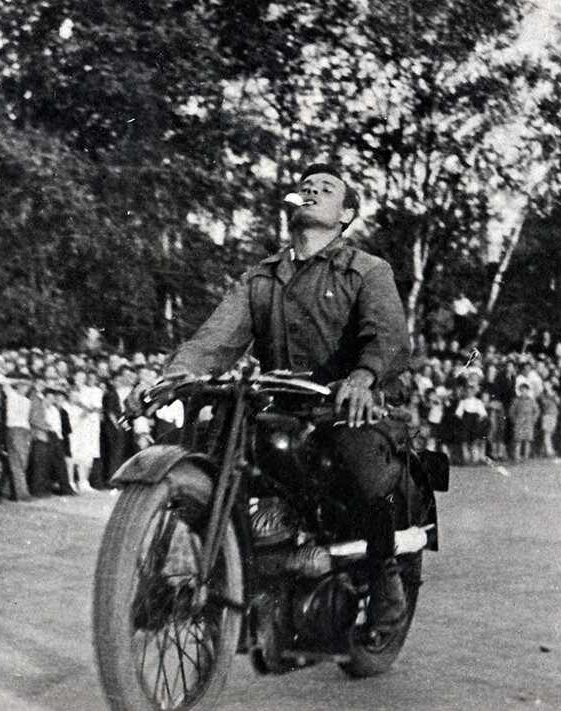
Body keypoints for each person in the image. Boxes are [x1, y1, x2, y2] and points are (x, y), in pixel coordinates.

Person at [157, 163, 412, 637]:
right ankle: (195, 564)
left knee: (360, 461)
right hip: (278, 409)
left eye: (326, 188)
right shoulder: (262, 279)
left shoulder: (368, 270)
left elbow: (389, 336)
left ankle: (384, 574)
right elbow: (215, 338)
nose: (311, 190)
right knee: (208, 445)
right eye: (304, 186)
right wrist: (172, 377)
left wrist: (363, 376)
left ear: (347, 213)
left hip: (346, 407)